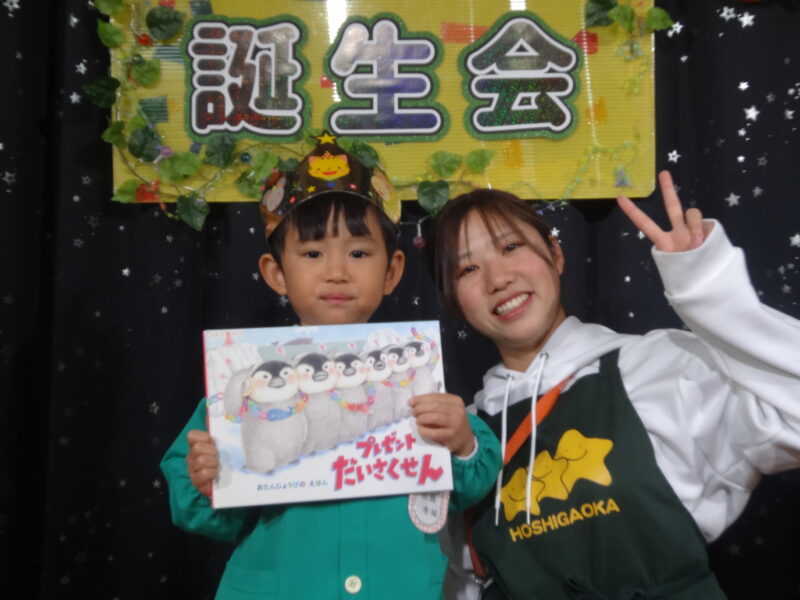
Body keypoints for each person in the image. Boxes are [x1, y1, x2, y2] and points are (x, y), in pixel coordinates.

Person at [159, 133, 502, 600]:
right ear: (276, 272)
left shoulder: (415, 372)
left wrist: (462, 444)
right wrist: (206, 479)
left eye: (359, 253)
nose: (336, 271)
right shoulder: (247, 382)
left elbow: (469, 485)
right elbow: (206, 513)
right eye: (312, 253)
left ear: (392, 271)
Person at [429, 171, 800, 599]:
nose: (497, 279)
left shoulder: (657, 366)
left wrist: (709, 291)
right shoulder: (461, 435)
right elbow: (459, 583)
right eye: (468, 268)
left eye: (511, 247)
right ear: (454, 301)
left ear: (555, 253)